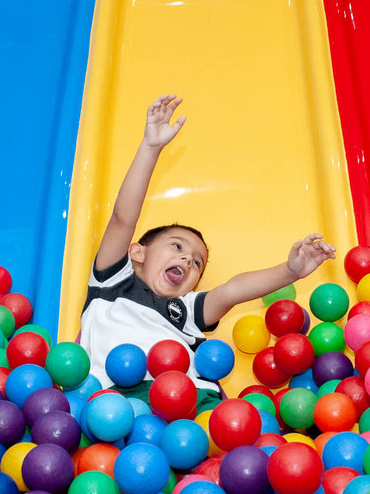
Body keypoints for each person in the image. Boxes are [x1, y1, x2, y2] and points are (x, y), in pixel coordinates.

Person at [80, 94, 336, 408]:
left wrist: (290, 271)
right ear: (137, 252)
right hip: (120, 399)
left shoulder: (184, 309)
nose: (188, 259)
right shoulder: (112, 283)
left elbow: (232, 291)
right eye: (176, 246)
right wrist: (151, 147)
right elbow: (123, 218)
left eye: (197, 263)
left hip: (196, 400)